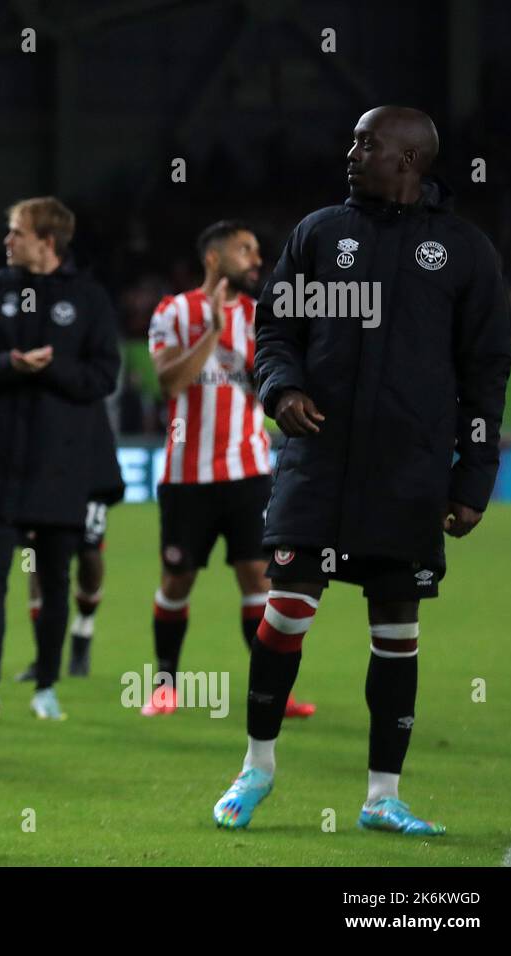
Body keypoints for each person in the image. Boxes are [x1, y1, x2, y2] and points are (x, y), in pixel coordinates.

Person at [213, 106, 511, 835]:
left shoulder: (465, 252)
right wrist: (280, 388)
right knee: (285, 613)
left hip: (406, 477)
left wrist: (473, 477)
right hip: (317, 466)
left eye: (367, 142)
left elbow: (486, 372)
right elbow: (276, 328)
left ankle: (383, 796)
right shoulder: (322, 234)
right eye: (351, 137)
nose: (351, 151)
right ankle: (255, 769)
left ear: (409, 159)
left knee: (397, 631)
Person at [0, 197, 120, 721]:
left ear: (47, 241)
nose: (7, 241)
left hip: (61, 464)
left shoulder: (88, 298)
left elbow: (103, 376)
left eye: (16, 232)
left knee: (54, 577)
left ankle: (46, 684)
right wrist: (9, 363)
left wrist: (50, 370)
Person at [141, 221, 315, 718]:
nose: (255, 259)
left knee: (258, 582)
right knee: (177, 580)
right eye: (245, 250)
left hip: (248, 473)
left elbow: (274, 383)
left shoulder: (264, 316)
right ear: (214, 258)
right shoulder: (174, 311)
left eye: (257, 250)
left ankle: (271, 693)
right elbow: (170, 384)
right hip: (186, 476)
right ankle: (165, 685)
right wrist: (212, 332)